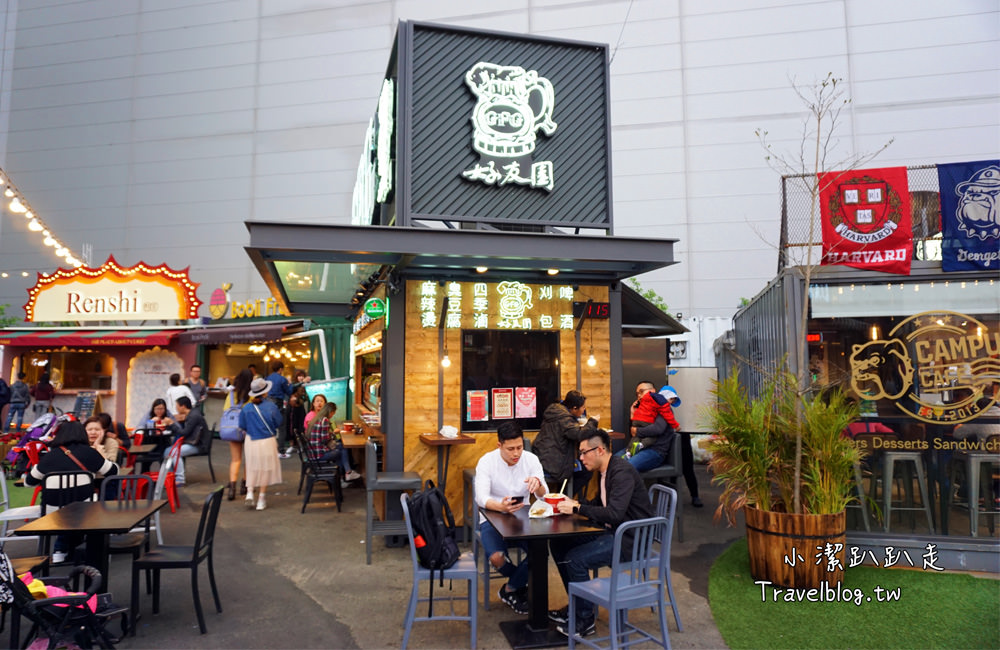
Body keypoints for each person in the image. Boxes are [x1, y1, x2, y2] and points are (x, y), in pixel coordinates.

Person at [548, 429, 654, 638]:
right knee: (559, 544)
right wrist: (574, 505)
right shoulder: (606, 471)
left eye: (583, 452)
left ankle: (585, 619)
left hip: (630, 539)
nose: (580, 458)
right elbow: (600, 504)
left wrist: (578, 508)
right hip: (613, 532)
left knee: (575, 559)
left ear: (599, 450)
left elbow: (614, 513)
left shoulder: (621, 472)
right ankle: (578, 607)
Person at [474, 421, 548, 615]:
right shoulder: (487, 461)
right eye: (510, 449)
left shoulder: (530, 459)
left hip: (522, 516)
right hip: (492, 516)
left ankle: (510, 589)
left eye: (519, 448)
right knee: (497, 558)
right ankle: (521, 582)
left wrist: (538, 484)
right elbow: (480, 497)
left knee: (539, 552)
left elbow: (544, 494)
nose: (516, 454)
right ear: (499, 446)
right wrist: (500, 506)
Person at [25, 420, 118, 563]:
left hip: (52, 512)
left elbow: (29, 482)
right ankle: (88, 550)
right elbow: (113, 472)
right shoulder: (89, 453)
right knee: (80, 504)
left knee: (66, 506)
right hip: (84, 510)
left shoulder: (49, 457)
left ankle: (60, 550)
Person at [532, 390, 599, 497]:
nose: (584, 409)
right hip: (553, 462)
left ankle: (561, 495)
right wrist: (593, 421)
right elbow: (579, 435)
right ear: (574, 408)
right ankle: (561, 498)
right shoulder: (565, 419)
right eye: (583, 407)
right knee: (587, 469)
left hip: (544, 456)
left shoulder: (556, 412)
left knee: (582, 466)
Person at [238, 377, 283, 510]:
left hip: (251, 440)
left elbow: (242, 425)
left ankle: (250, 492)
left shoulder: (246, 408)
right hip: (267, 440)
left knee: (252, 466)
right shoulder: (271, 406)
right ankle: (261, 499)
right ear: (265, 392)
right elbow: (278, 422)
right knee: (265, 469)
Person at [616, 381, 681, 470]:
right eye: (637, 393)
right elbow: (633, 434)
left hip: (654, 451)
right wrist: (633, 414)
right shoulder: (644, 409)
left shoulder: (664, 408)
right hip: (637, 448)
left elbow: (658, 429)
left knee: (627, 467)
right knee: (611, 463)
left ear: (653, 391)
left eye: (642, 391)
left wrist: (637, 431)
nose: (639, 395)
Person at [306, 402, 361, 484]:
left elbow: (321, 436)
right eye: (333, 413)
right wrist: (334, 433)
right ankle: (348, 473)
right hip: (319, 454)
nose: (333, 415)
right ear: (331, 412)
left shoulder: (317, 418)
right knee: (342, 449)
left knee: (341, 447)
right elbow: (325, 440)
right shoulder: (324, 420)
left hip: (313, 452)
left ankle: (342, 477)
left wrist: (332, 433)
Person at [163, 396, 208, 487]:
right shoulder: (193, 413)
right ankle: (171, 476)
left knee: (175, 452)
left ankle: (180, 479)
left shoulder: (193, 416)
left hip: (198, 445)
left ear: (183, 406)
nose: (176, 408)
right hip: (194, 442)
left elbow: (184, 433)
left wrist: (172, 424)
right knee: (167, 451)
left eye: (177, 406)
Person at [225, 369, 254, 499]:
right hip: (249, 430)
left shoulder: (231, 393)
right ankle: (245, 486)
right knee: (248, 460)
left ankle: (232, 489)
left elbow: (225, 410)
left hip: (233, 429)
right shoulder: (252, 395)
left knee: (235, 459)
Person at [265, 361, 294, 456]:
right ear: (281, 369)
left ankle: (268, 448)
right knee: (282, 428)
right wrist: (291, 384)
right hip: (278, 404)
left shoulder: (267, 378)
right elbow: (289, 392)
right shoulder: (282, 379)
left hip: (268, 404)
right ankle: (280, 450)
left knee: (269, 426)